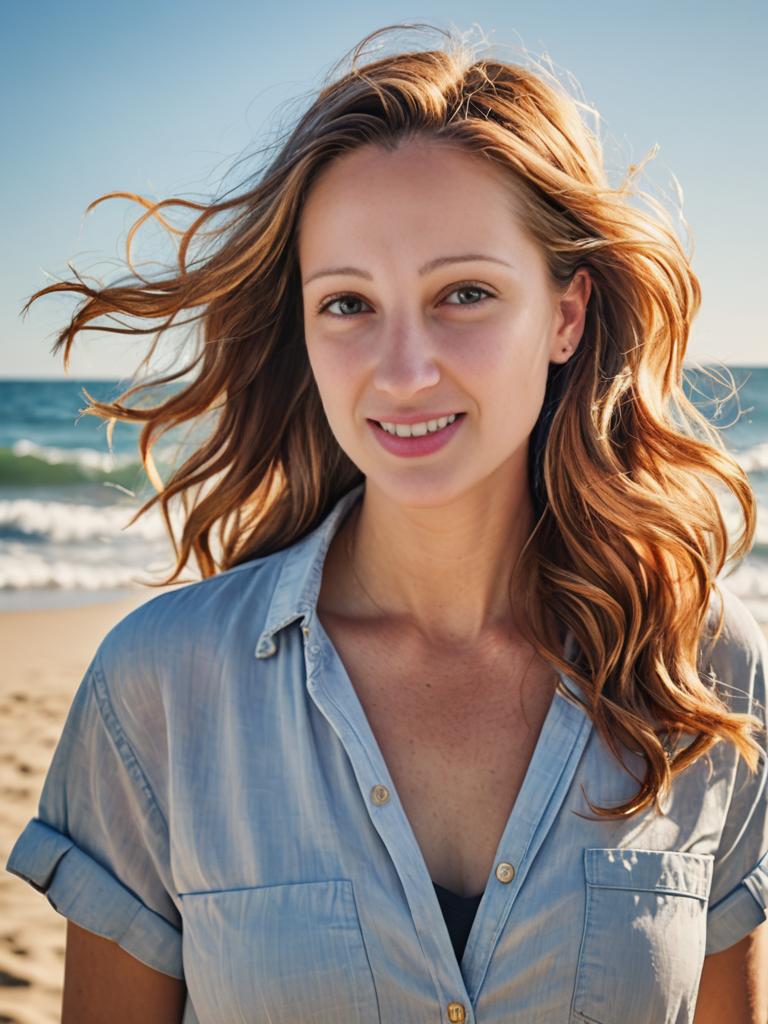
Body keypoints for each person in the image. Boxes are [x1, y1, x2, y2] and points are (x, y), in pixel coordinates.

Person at [5, 22, 767, 1024]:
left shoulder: (699, 674)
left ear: (567, 314)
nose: (404, 369)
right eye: (349, 303)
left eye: (465, 293)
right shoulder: (160, 690)